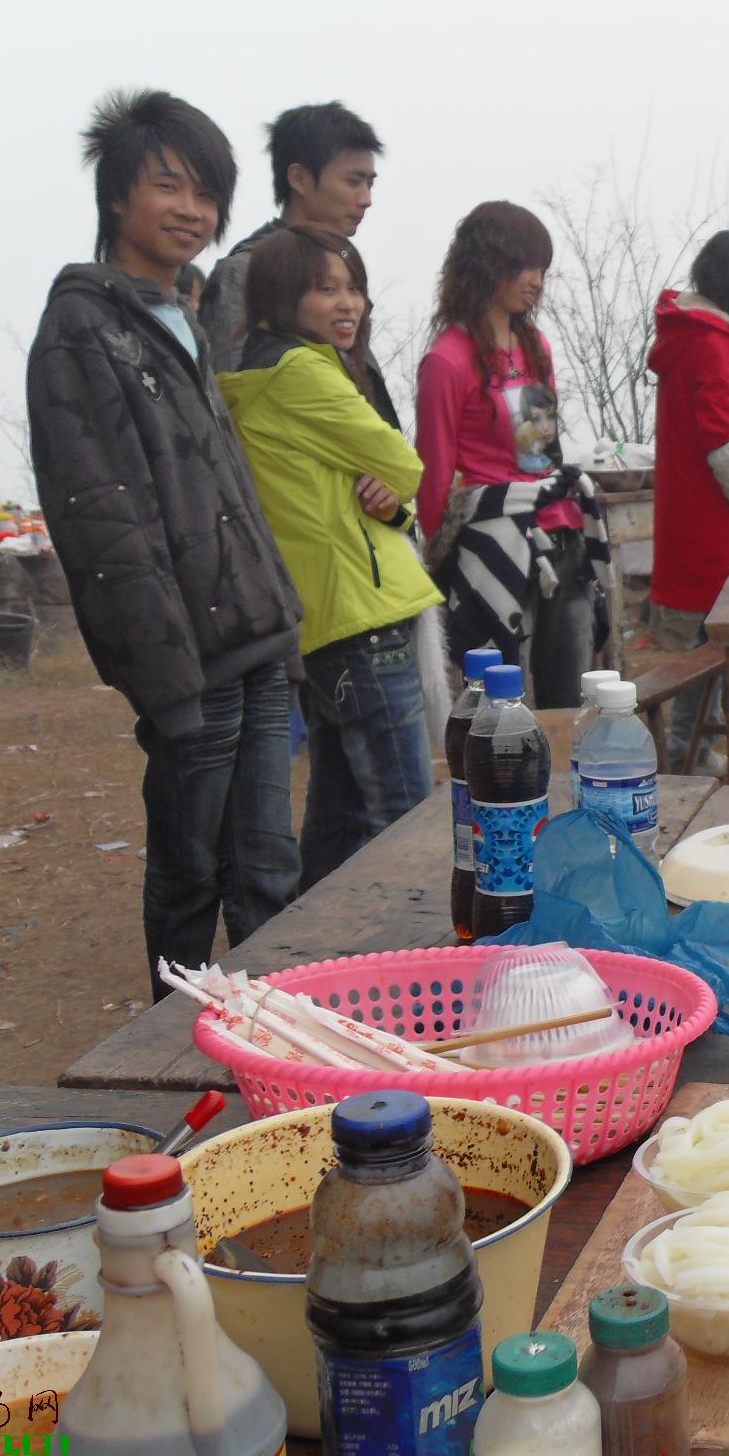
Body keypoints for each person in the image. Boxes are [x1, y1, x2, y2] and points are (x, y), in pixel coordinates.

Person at [26, 89, 303, 1002]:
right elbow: (104, 520)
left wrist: (284, 618)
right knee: (189, 880)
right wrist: (166, 682)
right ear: (117, 198)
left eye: (207, 194)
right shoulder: (82, 325)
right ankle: (168, 1058)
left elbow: (226, 487)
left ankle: (274, 1054)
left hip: (256, 643)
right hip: (192, 661)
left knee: (269, 872)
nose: (192, 211)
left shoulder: (180, 317)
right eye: (169, 186)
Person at [218, 227, 441, 887]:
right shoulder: (302, 371)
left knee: (340, 812)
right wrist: (390, 485)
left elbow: (378, 489)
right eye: (326, 290)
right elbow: (401, 460)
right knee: (403, 810)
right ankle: (416, 959)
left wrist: (387, 499)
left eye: (355, 289)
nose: (350, 306)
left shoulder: (259, 375)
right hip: (362, 614)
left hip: (330, 615)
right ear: (281, 300)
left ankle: (314, 950)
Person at [415, 200, 608, 703]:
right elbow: (433, 470)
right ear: (486, 265)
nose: (537, 279)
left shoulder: (535, 345)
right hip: (495, 548)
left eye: (543, 267)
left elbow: (546, 448)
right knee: (502, 700)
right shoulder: (446, 360)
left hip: (562, 536)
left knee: (570, 693)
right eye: (525, 265)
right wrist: (436, 565)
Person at [648, 230, 729, 772]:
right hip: (715, 529)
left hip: (696, 521)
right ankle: (690, 758)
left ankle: (695, 753)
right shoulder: (710, 343)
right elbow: (726, 447)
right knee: (718, 652)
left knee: (711, 653)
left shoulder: (699, 337)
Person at [199, 101, 391, 412]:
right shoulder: (246, 271)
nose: (366, 199)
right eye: (353, 182)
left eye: (370, 184)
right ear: (299, 179)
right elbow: (228, 399)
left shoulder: (341, 265)